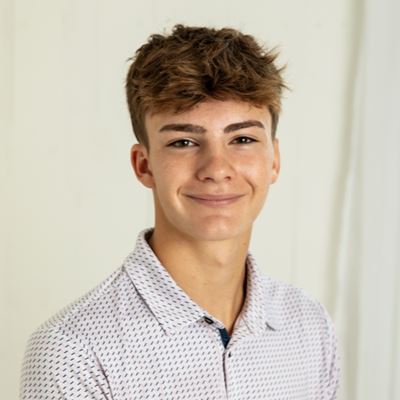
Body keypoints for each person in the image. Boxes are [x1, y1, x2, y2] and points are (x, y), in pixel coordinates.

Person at [20, 24, 340, 399]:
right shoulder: (73, 350)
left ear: (274, 160)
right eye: (184, 142)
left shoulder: (310, 327)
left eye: (242, 139)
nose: (217, 168)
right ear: (144, 165)